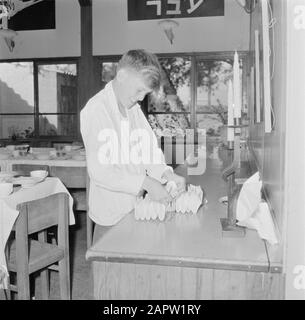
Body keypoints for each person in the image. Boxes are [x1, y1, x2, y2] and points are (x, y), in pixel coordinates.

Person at [80, 49, 186, 227]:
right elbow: (101, 172)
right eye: (139, 90)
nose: (140, 98)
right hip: (111, 216)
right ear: (121, 76)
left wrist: (167, 175)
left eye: (145, 94)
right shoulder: (97, 109)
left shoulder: (133, 109)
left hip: (136, 209)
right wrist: (147, 183)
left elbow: (149, 152)